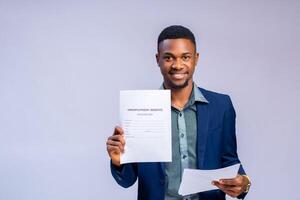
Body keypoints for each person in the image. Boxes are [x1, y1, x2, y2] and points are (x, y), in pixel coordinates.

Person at [106, 25, 251, 200]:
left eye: (185, 57)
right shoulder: (138, 109)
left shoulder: (221, 106)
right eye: (168, 57)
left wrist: (244, 182)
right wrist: (117, 160)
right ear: (158, 59)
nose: (177, 65)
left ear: (196, 59)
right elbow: (127, 180)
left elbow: (229, 160)